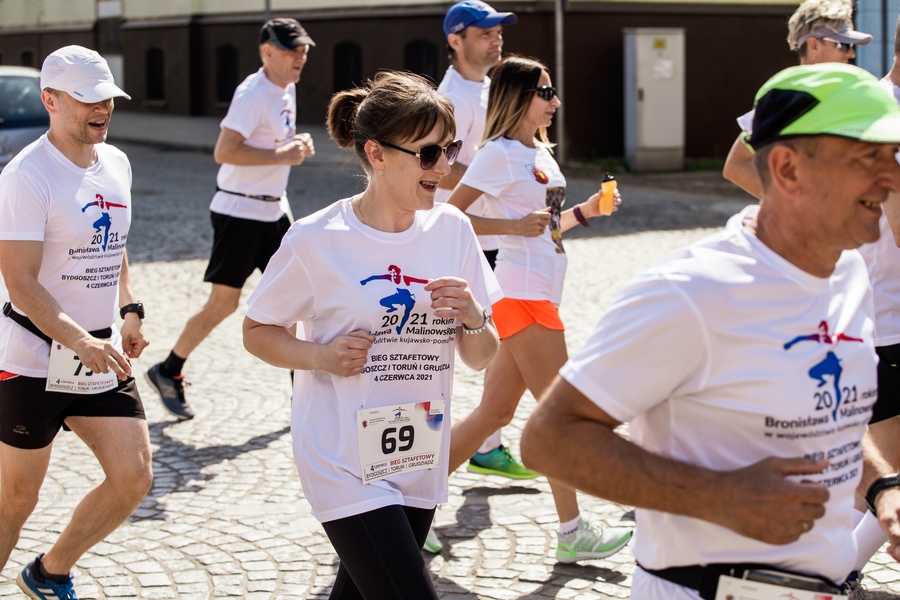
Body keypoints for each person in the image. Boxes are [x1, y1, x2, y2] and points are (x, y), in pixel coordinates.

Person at [522, 63, 900, 599]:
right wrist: (723, 496)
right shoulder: (692, 291)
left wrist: (881, 485)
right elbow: (548, 440)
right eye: (870, 158)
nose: (892, 177)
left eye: (895, 155)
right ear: (788, 169)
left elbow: (827, 412)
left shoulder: (850, 274)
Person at [242, 71, 501, 599]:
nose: (445, 167)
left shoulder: (453, 230)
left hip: (418, 449)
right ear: (378, 155)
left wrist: (474, 316)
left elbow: (481, 355)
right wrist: (320, 355)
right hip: (342, 456)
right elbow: (256, 330)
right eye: (429, 154)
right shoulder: (317, 239)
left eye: (449, 150)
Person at [446, 55, 633, 564]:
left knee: (495, 413)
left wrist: (585, 211)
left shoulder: (540, 154)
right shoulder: (498, 154)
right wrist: (507, 229)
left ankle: (404, 507)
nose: (554, 102)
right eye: (544, 92)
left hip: (543, 290)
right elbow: (449, 217)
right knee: (562, 416)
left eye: (552, 92)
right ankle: (573, 531)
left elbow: (544, 226)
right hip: (519, 292)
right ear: (517, 97)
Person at [0, 45, 153, 599]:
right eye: (87, 99)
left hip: (97, 354)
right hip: (32, 357)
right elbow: (21, 282)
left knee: (133, 477)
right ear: (50, 100)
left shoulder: (117, 163)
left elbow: (114, 244)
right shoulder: (26, 177)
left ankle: (49, 571)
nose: (102, 108)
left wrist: (129, 309)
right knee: (16, 501)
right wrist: (78, 339)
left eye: (108, 97)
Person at [146, 17, 316, 420]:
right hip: (239, 211)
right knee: (224, 304)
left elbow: (275, 144)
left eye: (304, 50)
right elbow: (225, 150)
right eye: (292, 50)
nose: (300, 57)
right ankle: (168, 370)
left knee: (298, 300)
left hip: (273, 209)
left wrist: (296, 146)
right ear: (267, 52)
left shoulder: (286, 87)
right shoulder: (253, 92)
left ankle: (305, 401)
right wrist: (281, 155)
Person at [436, 0, 538, 484]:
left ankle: (487, 443)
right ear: (455, 41)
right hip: (461, 230)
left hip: (490, 231)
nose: (495, 39)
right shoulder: (452, 95)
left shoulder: (492, 86)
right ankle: (427, 471)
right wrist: (494, 177)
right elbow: (438, 160)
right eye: (483, 33)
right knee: (457, 346)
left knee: (495, 336)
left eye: (498, 31)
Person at [722, 0, 872, 198]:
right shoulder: (787, 100)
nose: (851, 53)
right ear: (813, 46)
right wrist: (798, 210)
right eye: (843, 44)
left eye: (852, 45)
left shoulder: (846, 94)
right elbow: (736, 165)